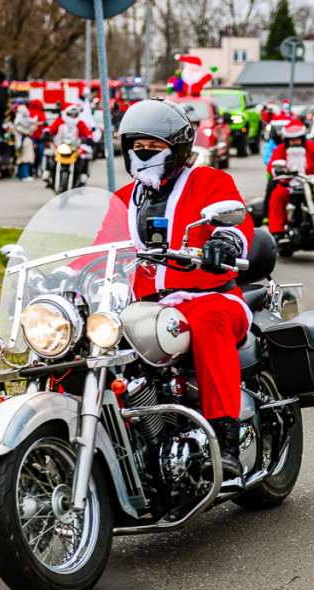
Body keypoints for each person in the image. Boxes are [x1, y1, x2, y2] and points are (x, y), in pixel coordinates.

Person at [89, 98, 255, 479]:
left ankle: (225, 438)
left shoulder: (209, 181)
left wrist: (225, 242)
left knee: (210, 320)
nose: (142, 153)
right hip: (142, 310)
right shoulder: (121, 199)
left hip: (210, 297)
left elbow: (234, 219)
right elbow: (101, 247)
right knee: (88, 334)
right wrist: (69, 272)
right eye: (136, 146)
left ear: (178, 148)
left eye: (154, 146)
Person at [265, 120, 314, 236]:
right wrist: (277, 169)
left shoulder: (311, 147)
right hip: (289, 185)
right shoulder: (280, 150)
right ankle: (277, 231)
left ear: (302, 139)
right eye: (291, 140)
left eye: (297, 139)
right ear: (286, 141)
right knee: (276, 195)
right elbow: (272, 164)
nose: (295, 142)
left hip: (311, 183)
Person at [46, 103, 94, 183]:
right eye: (71, 113)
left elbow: (86, 131)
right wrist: (47, 132)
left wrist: (89, 138)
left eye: (75, 114)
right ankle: (48, 173)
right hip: (60, 145)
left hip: (74, 146)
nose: (73, 115)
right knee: (50, 154)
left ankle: (81, 175)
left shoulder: (79, 122)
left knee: (83, 156)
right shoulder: (60, 120)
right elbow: (51, 128)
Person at [13, 103, 37, 181]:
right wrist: (33, 127)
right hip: (24, 141)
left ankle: (21, 174)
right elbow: (26, 131)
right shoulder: (19, 122)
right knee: (25, 158)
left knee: (22, 158)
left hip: (23, 141)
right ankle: (25, 175)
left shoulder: (19, 120)